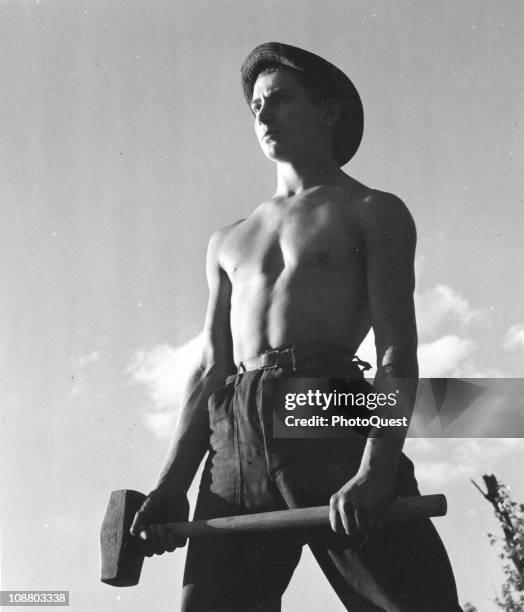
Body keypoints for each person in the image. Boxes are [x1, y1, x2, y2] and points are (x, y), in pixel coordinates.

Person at [130, 42, 462, 611]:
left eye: (279, 99)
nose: (262, 114)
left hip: (326, 410)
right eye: (256, 105)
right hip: (233, 439)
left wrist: (377, 466)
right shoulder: (227, 239)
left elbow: (395, 351)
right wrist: (170, 486)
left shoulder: (371, 209)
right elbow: (211, 367)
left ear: (328, 111)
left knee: (413, 603)